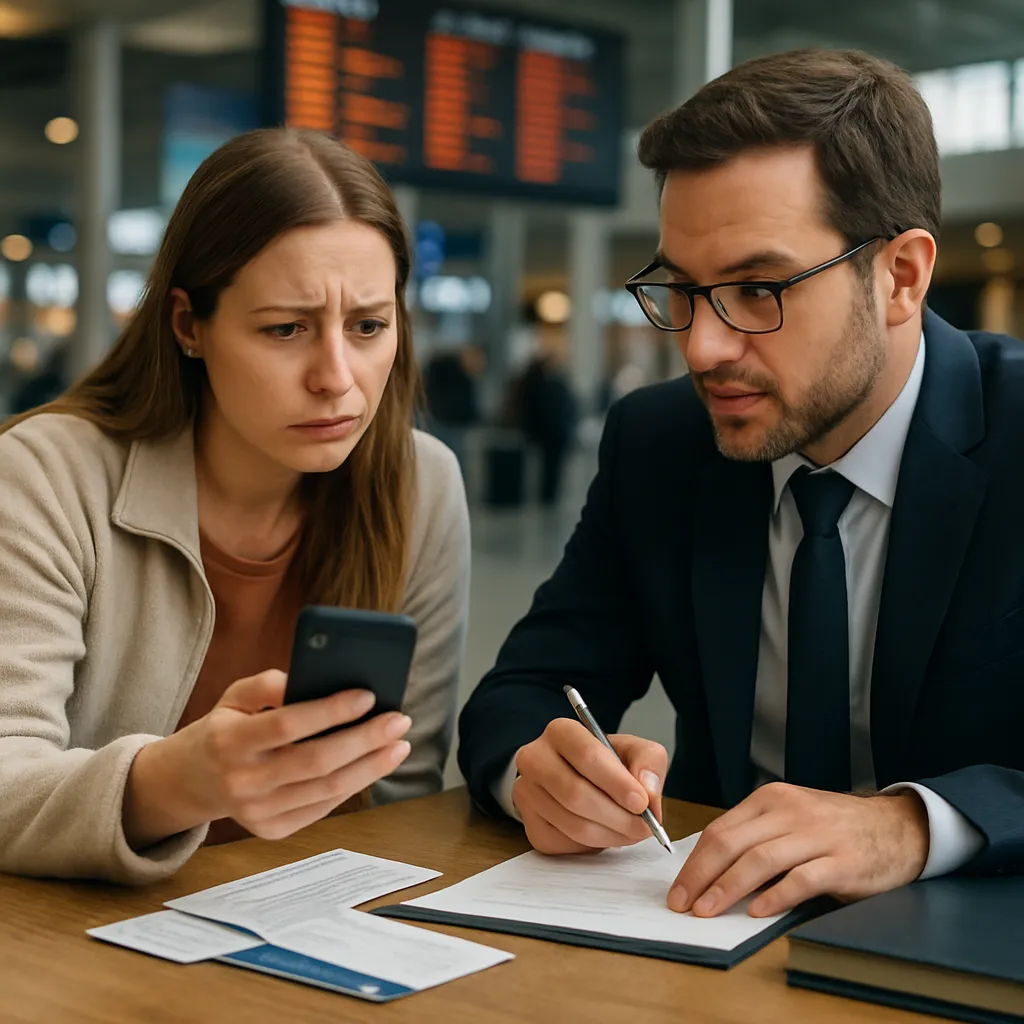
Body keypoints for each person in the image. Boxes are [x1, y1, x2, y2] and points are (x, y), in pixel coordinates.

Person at [458, 48, 1024, 922]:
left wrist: (910, 826)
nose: (702, 349)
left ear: (901, 276)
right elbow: (521, 694)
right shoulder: (662, 443)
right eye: (683, 290)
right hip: (710, 943)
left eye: (759, 289)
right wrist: (537, 773)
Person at [0, 128, 470, 884]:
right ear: (189, 324)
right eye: (286, 328)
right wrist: (173, 782)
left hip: (316, 930)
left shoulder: (423, 484)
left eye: (369, 326)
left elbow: (400, 794)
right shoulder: (46, 477)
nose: (337, 378)